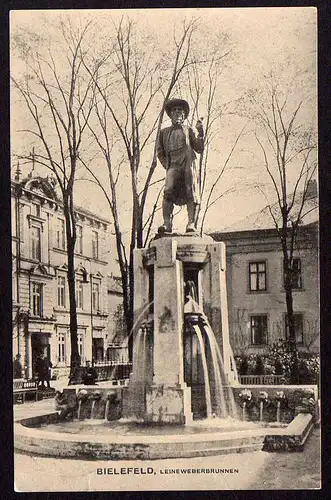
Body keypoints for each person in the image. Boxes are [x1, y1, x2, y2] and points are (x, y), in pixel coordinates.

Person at [157, 98, 204, 234]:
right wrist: (168, 165)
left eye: (180, 110)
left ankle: (191, 223)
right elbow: (160, 151)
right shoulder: (163, 132)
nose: (177, 112)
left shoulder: (188, 129)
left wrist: (200, 132)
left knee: (191, 192)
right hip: (173, 164)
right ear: (170, 115)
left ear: (183, 115)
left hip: (187, 163)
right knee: (168, 192)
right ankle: (167, 224)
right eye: (174, 110)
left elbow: (199, 148)